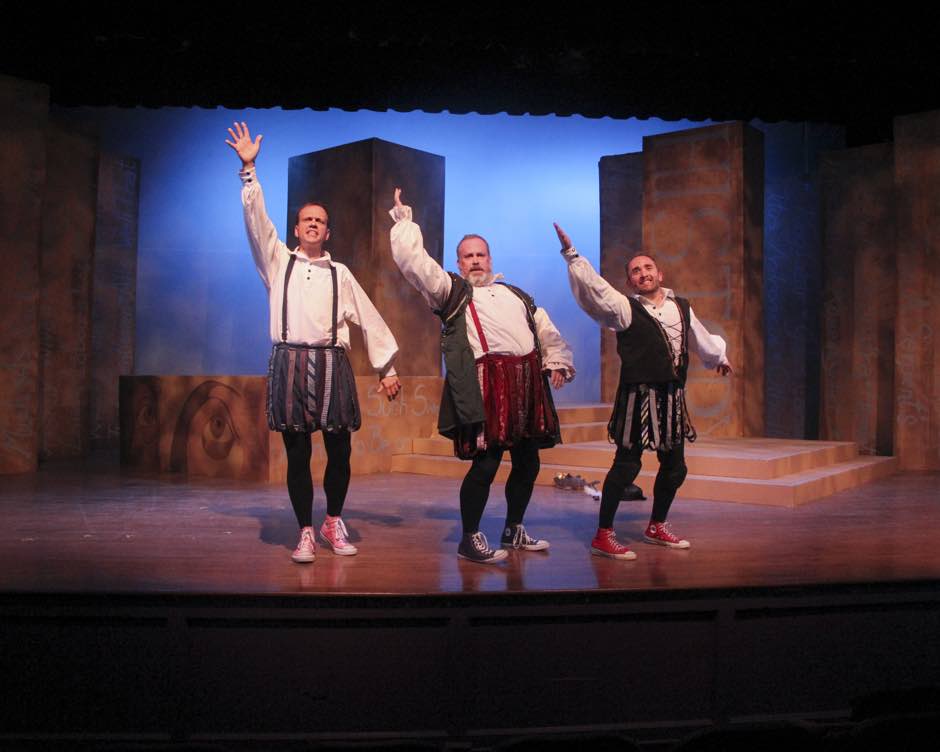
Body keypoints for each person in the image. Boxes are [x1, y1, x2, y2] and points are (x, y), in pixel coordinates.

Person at [226, 122, 401, 563]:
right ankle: (305, 530)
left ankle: (332, 521)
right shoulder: (277, 263)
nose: (313, 225)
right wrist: (249, 172)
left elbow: (369, 318)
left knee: (340, 450)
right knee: (298, 453)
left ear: (327, 232)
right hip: (290, 363)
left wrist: (387, 367)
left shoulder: (341, 273)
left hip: (331, 364)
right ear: (297, 228)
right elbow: (256, 224)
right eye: (307, 219)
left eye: (320, 221)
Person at [389, 189, 574, 564]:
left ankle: (513, 529)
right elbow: (415, 264)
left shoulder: (515, 294)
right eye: (468, 256)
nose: (475, 261)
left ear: (490, 259)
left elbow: (544, 329)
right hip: (486, 386)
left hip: (525, 384)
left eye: (480, 255)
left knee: (528, 463)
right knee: (486, 464)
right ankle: (469, 537)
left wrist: (556, 360)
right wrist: (404, 222)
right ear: (458, 263)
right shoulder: (452, 292)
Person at [554, 223, 732, 560]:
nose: (643, 273)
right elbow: (595, 289)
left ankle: (656, 525)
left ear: (660, 274)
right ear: (630, 282)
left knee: (675, 467)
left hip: (671, 397)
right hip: (637, 398)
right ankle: (603, 534)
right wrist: (572, 255)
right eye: (635, 271)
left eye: (648, 267)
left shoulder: (681, 306)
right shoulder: (625, 309)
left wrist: (718, 358)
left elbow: (699, 337)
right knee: (626, 467)